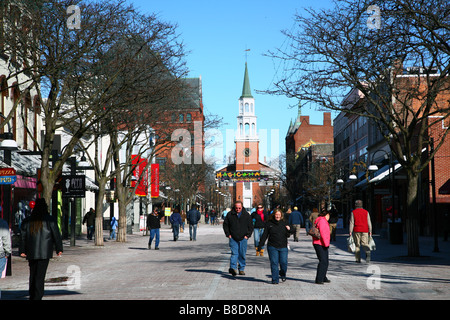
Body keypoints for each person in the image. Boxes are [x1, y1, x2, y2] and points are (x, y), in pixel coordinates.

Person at [19, 198, 63, 300]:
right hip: (45, 252)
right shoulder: (50, 220)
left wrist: (22, 250)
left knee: (33, 274)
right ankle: (38, 296)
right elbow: (56, 235)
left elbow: (23, 237)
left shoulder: (28, 221)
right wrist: (59, 248)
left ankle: (32, 294)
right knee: (40, 275)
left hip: (31, 252)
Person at [258, 208, 294, 284]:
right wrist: (260, 245)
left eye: (279, 215)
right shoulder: (269, 223)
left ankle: (282, 273)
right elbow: (265, 235)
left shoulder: (284, 222)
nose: (277, 216)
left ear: (281, 216)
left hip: (283, 246)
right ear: (274, 215)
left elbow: (292, 231)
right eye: (276, 215)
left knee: (284, 263)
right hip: (272, 246)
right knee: (274, 263)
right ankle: (275, 279)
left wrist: (289, 229)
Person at [223, 201, 253, 276]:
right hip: (233, 237)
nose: (238, 209)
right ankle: (233, 268)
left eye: (239, 208)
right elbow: (225, 225)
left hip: (243, 238)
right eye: (236, 208)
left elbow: (251, 226)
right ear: (234, 207)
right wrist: (228, 234)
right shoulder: (230, 214)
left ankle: (241, 269)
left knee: (242, 254)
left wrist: (247, 235)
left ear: (242, 207)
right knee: (234, 253)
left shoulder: (246, 215)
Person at [312, 209, 331, 284]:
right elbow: (323, 233)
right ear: (326, 215)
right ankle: (319, 278)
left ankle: (323, 276)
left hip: (319, 242)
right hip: (320, 243)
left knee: (325, 261)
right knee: (323, 261)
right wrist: (326, 244)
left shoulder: (318, 219)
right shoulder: (323, 221)